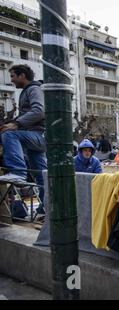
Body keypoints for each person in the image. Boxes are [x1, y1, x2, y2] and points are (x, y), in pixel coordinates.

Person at [0, 65, 47, 206]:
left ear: (22, 76)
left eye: (13, 76)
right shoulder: (28, 91)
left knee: (9, 134)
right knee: (41, 176)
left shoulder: (33, 89)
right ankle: (44, 210)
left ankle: (18, 173)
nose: (12, 80)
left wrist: (16, 124)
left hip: (38, 136)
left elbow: (39, 111)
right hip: (34, 138)